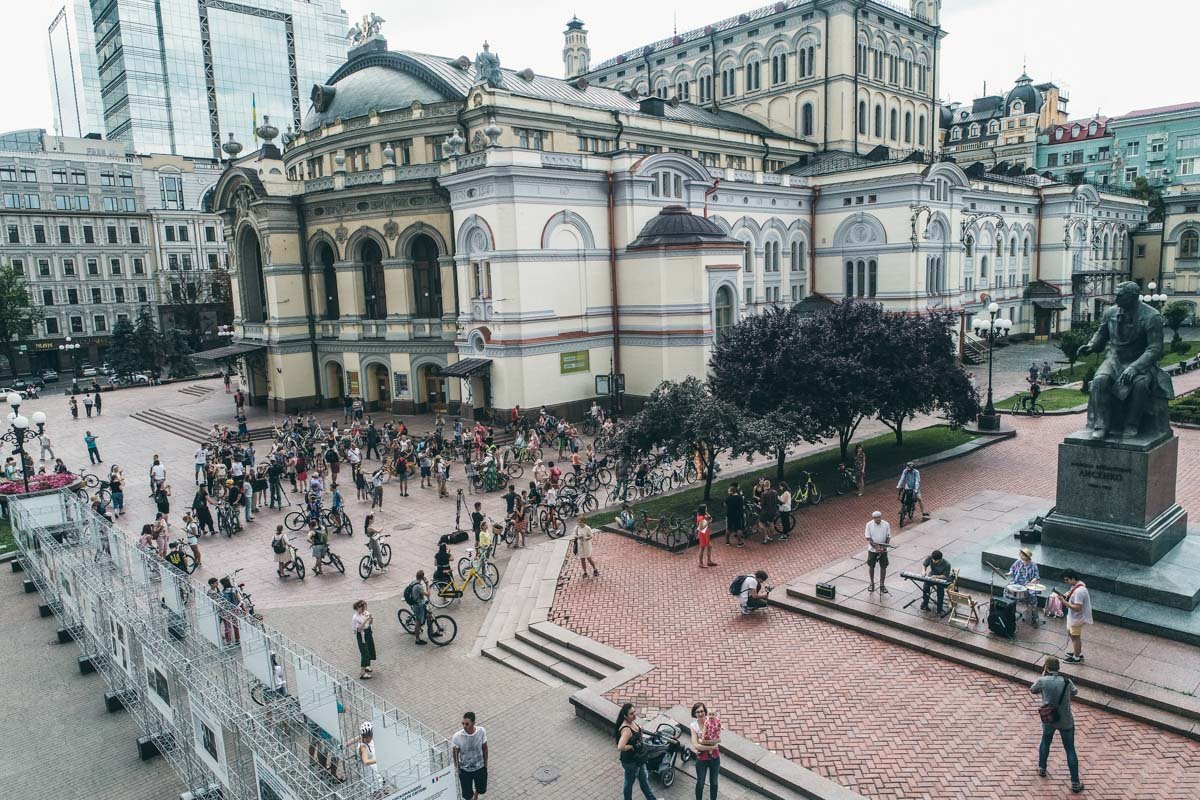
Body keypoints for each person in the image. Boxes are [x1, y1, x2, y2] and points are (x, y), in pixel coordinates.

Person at [1031, 656, 1083, 793]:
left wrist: (1043, 676)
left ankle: (1042, 768)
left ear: (1046, 667)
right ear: (1058, 668)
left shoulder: (1043, 680)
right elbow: (1075, 692)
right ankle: (1075, 782)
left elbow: (1033, 689)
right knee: (1070, 749)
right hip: (1065, 720)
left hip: (1049, 719)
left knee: (1045, 741)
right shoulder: (1066, 681)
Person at [614, 703, 658, 800]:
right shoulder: (626, 730)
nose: (634, 715)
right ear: (625, 716)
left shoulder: (632, 722)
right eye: (631, 714)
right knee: (629, 782)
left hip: (639, 758)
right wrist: (629, 746)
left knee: (643, 780)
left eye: (634, 712)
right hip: (631, 762)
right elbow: (620, 746)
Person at [1054, 570, 1092, 663]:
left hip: (1077, 617)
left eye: (1067, 580)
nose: (1065, 582)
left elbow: (1078, 608)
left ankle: (1076, 658)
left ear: (1073, 578)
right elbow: (1071, 592)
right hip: (1073, 617)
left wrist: (1064, 602)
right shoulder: (1077, 585)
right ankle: (1077, 652)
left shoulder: (1079, 591)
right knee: (1072, 634)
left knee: (1075, 637)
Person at [452, 711, 488, 800]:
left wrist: (485, 765)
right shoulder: (457, 736)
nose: (464, 726)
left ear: (473, 723)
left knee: (481, 789)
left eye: (467, 724)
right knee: (467, 795)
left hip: (479, 767)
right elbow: (455, 753)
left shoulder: (481, 731)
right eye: (463, 723)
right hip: (465, 770)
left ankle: (475, 796)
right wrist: (457, 768)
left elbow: (485, 748)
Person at [689, 702, 720, 800]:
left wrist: (713, 744)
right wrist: (712, 747)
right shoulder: (694, 726)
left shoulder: (711, 720)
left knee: (714, 783)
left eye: (702, 711)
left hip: (714, 758)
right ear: (694, 714)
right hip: (702, 759)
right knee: (700, 783)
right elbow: (696, 745)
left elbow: (717, 737)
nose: (700, 713)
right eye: (698, 712)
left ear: (705, 712)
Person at [865, 511, 892, 594]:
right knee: (871, 566)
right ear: (873, 518)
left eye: (879, 517)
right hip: (872, 550)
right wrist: (876, 547)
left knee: (883, 566)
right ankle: (872, 583)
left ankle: (882, 585)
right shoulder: (869, 525)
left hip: (883, 549)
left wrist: (883, 547)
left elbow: (888, 537)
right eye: (876, 518)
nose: (878, 519)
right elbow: (868, 538)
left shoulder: (886, 524)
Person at [406, 570, 432, 644]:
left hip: (420, 604)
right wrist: (427, 584)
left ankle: (431, 633)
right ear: (423, 577)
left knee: (429, 616)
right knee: (418, 623)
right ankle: (417, 639)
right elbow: (427, 594)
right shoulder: (418, 586)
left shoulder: (414, 582)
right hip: (418, 606)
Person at [352, 600, 376, 679]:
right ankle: (362, 673)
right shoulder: (355, 618)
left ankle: (366, 666)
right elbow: (359, 629)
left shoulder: (365, 612)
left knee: (370, 649)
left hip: (368, 632)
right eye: (361, 608)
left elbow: (370, 623)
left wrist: (371, 619)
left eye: (364, 607)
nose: (363, 609)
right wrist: (366, 620)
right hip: (362, 635)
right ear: (357, 608)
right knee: (365, 652)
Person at [357, 722, 383, 793]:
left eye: (370, 736)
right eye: (367, 737)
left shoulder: (364, 738)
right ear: (364, 736)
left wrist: (347, 743)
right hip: (369, 770)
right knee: (374, 788)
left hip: (374, 766)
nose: (369, 738)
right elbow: (365, 761)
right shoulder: (363, 747)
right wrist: (380, 759)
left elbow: (355, 738)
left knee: (380, 783)